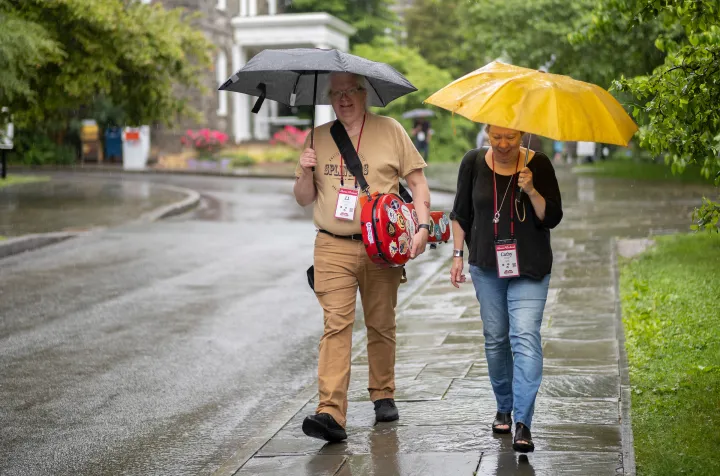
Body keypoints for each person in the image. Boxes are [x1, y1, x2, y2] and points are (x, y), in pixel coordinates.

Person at [293, 72, 432, 442]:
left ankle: (383, 392)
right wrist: (305, 172)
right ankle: (330, 412)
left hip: (380, 246)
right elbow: (304, 198)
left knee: (380, 322)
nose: (343, 99)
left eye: (350, 91)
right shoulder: (317, 137)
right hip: (331, 244)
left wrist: (421, 227)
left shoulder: (391, 131)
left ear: (364, 93)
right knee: (336, 325)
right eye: (335, 93)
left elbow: (417, 183)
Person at [449, 124, 563, 453]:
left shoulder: (538, 164)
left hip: (529, 267)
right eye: (495, 137)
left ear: (522, 134)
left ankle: (524, 422)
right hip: (486, 265)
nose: (502, 144)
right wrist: (458, 256)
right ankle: (504, 405)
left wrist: (532, 190)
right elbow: (461, 214)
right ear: (486, 132)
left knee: (524, 336)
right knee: (496, 337)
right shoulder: (472, 162)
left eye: (510, 138)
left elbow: (552, 216)